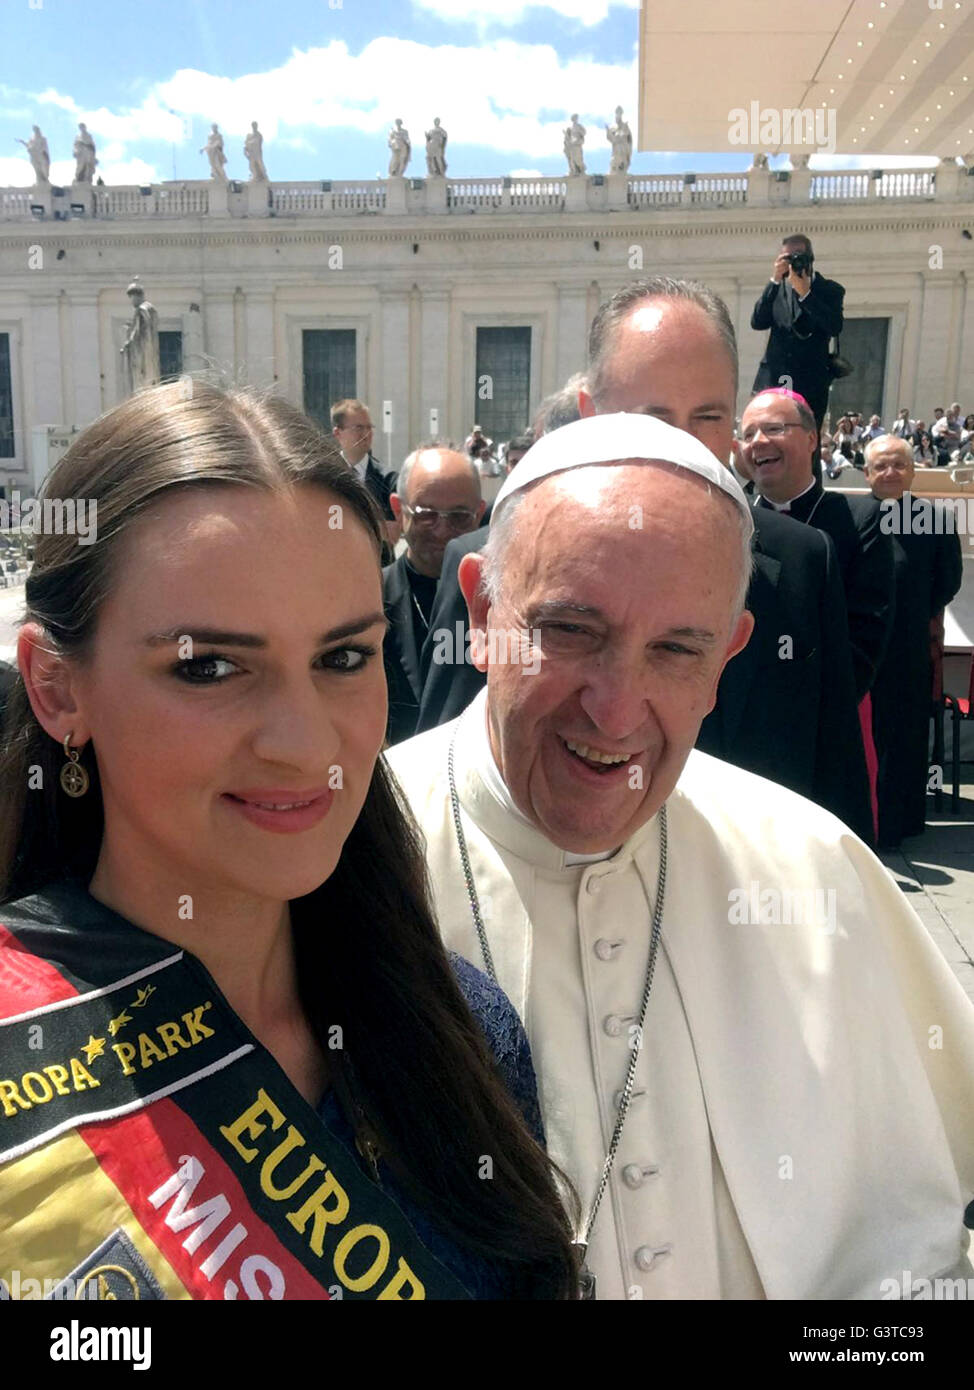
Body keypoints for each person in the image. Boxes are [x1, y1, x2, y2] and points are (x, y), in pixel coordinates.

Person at [0, 382, 579, 1302]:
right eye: (209, 667)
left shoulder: (461, 1036)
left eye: (343, 658)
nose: (308, 745)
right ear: (57, 688)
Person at [386, 412, 974, 1299]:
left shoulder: (810, 866)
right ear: (479, 611)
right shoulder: (348, 861)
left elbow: (914, 1268)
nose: (617, 712)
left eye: (675, 649)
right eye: (571, 632)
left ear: (728, 654)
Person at [580, 278, 871, 839]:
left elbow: (835, 760)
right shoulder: (522, 559)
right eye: (656, 418)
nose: (686, 444)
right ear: (593, 414)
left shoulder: (804, 558)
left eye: (709, 417)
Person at [741, 389, 894, 703]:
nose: (758, 440)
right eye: (747, 434)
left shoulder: (860, 520)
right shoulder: (733, 518)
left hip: (819, 711)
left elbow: (864, 640)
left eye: (773, 428)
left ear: (812, 440)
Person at [863, 435, 964, 847]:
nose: (890, 473)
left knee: (904, 737)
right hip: (861, 645)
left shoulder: (935, 520)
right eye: (881, 466)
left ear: (913, 470)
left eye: (898, 465)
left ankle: (897, 823)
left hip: (907, 647)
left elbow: (947, 581)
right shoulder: (848, 515)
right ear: (867, 472)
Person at [383, 444, 485, 745]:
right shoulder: (369, 599)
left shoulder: (501, 607)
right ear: (398, 510)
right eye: (426, 515)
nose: (442, 530)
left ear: (479, 514)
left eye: (458, 516)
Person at [750, 234, 845, 428]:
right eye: (787, 257)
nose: (794, 261)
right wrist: (775, 280)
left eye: (798, 256)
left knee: (807, 441)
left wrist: (806, 295)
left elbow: (834, 326)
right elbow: (758, 322)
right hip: (775, 378)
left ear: (811, 259)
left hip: (810, 381)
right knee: (770, 434)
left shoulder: (830, 290)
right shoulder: (776, 291)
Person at [330, 398, 400, 558]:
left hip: (376, 571)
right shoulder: (326, 478)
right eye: (359, 428)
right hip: (334, 568)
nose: (366, 434)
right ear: (337, 433)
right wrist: (375, 526)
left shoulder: (388, 479)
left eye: (369, 427)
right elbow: (322, 527)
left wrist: (344, 523)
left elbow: (392, 534)